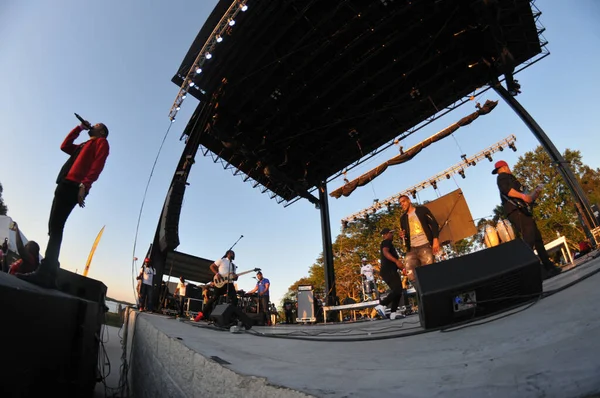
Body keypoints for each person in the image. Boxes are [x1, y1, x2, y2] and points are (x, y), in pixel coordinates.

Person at [17, 120, 110, 288]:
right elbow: (65, 146)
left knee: (56, 226)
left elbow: (98, 164)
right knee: (54, 226)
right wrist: (80, 128)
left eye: (97, 125)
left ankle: (47, 271)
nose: (93, 125)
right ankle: (50, 269)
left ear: (102, 131)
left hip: (73, 186)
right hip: (65, 183)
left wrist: (85, 185)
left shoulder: (101, 142)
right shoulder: (83, 145)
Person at [492, 160, 562, 279]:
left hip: (523, 210)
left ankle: (548, 266)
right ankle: (531, 272)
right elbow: (507, 190)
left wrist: (535, 193)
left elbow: (526, 197)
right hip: (516, 212)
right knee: (529, 239)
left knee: (537, 239)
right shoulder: (502, 177)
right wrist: (523, 196)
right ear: (505, 167)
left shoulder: (513, 179)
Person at [398, 194, 440, 289]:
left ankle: (432, 291)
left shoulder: (422, 210)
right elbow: (405, 235)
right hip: (412, 248)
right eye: (400, 203)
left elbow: (434, 224)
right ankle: (422, 291)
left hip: (425, 244)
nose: (402, 204)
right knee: (410, 273)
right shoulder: (403, 218)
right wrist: (402, 236)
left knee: (429, 272)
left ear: (409, 200)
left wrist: (435, 240)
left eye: (403, 201)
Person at [197, 250, 238, 321]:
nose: (233, 254)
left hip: (229, 283)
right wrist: (217, 274)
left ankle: (231, 317)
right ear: (228, 254)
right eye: (232, 253)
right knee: (214, 298)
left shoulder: (233, 266)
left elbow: (235, 278)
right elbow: (212, 266)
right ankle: (201, 314)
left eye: (234, 253)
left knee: (235, 299)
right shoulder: (222, 260)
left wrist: (235, 277)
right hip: (220, 282)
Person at [375, 228, 406, 320]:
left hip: (390, 270)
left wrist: (403, 268)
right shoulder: (386, 242)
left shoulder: (390, 243)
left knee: (398, 291)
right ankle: (382, 305)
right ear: (385, 234)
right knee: (397, 289)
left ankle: (393, 312)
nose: (392, 235)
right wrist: (396, 261)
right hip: (388, 271)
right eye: (390, 233)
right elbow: (385, 252)